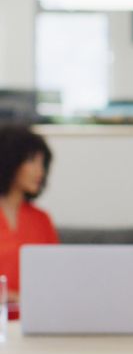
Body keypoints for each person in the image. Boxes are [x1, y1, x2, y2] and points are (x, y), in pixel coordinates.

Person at [0, 125, 58, 318]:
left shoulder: (41, 219)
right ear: (10, 161)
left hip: (35, 320)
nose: (39, 171)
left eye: (42, 163)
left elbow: (56, 277)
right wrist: (9, 296)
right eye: (32, 161)